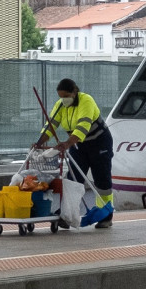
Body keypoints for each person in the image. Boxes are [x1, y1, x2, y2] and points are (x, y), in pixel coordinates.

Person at [33, 78, 115, 229]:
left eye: (65, 96)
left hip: (99, 143)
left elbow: (82, 127)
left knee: (102, 180)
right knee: (73, 179)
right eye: (60, 97)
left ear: (74, 92)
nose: (63, 100)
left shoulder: (87, 101)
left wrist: (67, 143)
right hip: (78, 145)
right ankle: (67, 213)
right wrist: (39, 142)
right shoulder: (60, 106)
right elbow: (51, 126)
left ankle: (106, 215)